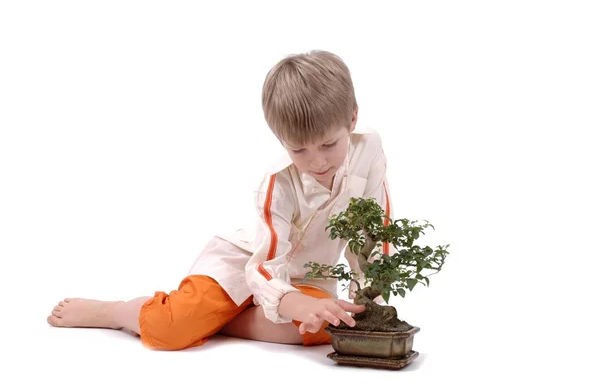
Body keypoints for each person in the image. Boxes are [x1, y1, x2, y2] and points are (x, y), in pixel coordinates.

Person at [47, 50, 395, 350]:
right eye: (298, 148)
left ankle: (220, 323)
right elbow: (263, 266)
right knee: (171, 330)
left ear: (352, 118)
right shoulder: (277, 183)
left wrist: (372, 300)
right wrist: (292, 302)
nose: (317, 161)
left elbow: (373, 231)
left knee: (329, 325)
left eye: (328, 145)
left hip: (307, 280)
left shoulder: (370, 150)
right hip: (245, 265)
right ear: (280, 138)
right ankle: (116, 312)